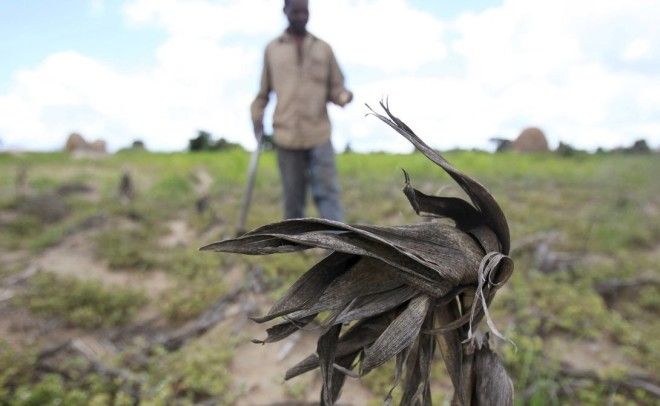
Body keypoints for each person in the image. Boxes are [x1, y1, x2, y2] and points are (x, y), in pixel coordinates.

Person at [250, 0, 353, 221]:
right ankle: (294, 249)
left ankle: (337, 247)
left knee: (328, 194)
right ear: (285, 11)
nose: (300, 16)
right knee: (293, 198)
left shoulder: (323, 48)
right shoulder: (272, 49)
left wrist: (343, 96)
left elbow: (336, 87)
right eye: (295, 11)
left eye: (304, 11)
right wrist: (257, 117)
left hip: (319, 134)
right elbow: (263, 93)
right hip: (286, 135)